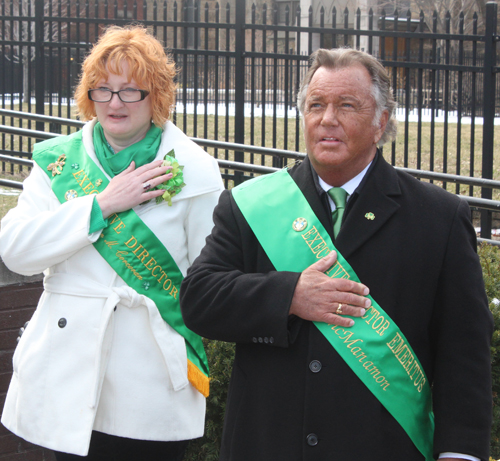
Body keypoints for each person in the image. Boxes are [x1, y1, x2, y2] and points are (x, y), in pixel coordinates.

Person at [180, 48, 493, 461]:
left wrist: (460, 453)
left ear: (381, 121)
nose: (328, 119)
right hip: (268, 446)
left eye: (347, 105)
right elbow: (199, 300)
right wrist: (289, 296)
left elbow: (464, 350)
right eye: (316, 105)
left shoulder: (439, 217)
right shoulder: (251, 204)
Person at [0, 25, 224, 460]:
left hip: (150, 381)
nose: (114, 103)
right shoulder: (57, 162)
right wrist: (100, 205)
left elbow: (207, 277)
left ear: (155, 96)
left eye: (129, 91)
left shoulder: (195, 171)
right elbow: (16, 250)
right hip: (67, 373)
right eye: (102, 90)